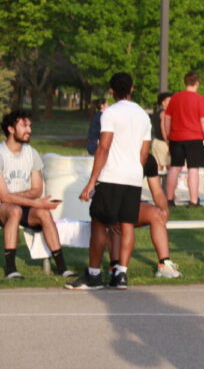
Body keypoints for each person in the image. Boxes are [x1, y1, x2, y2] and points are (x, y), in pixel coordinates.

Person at [66, 72, 151, 290]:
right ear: (132, 89)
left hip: (111, 175)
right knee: (126, 224)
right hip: (133, 177)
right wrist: (134, 172)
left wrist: (92, 181)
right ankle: (121, 274)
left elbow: (103, 146)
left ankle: (94, 275)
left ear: (111, 91)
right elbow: (144, 152)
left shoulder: (110, 113)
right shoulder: (143, 115)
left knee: (99, 223)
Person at [0, 110, 75, 280]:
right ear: (11, 129)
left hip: (23, 205)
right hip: (3, 208)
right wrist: (33, 202)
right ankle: (11, 269)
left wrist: (21, 199)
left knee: (43, 213)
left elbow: (37, 190)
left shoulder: (31, 153)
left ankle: (62, 268)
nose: (29, 130)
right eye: (24, 126)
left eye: (30, 126)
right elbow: (3, 197)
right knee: (14, 211)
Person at [105, 154, 182, 279]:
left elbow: (157, 191)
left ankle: (165, 264)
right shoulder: (116, 154)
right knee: (117, 221)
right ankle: (115, 266)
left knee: (158, 214)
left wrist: (164, 210)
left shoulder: (147, 158)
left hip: (130, 205)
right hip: (111, 204)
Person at [164, 71, 204, 208]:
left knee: (175, 167)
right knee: (193, 169)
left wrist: (168, 135)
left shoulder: (175, 98)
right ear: (197, 83)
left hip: (176, 137)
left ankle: (170, 198)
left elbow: (167, 118)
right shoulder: (199, 99)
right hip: (195, 137)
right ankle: (193, 200)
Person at [149, 92, 172, 195]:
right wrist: (168, 142)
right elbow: (164, 128)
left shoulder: (156, 113)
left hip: (155, 142)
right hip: (163, 143)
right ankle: (167, 194)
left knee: (158, 169)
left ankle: (157, 192)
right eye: (169, 101)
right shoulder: (164, 113)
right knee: (169, 169)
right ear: (163, 102)